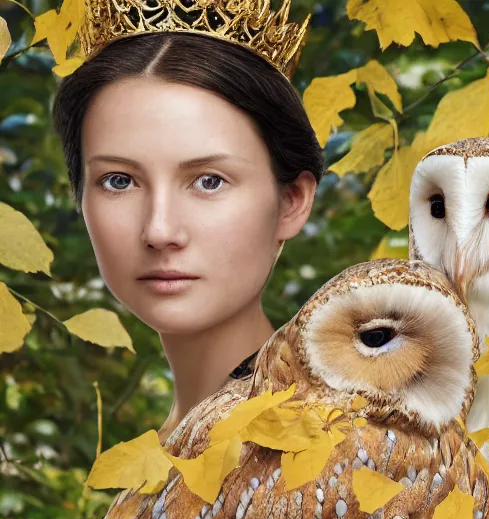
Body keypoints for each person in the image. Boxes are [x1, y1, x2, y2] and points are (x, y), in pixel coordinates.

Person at [51, 29, 324, 444]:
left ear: (291, 201)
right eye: (119, 181)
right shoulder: (156, 454)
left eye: (210, 181)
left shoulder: (331, 447)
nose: (160, 231)